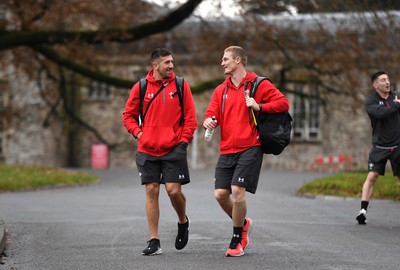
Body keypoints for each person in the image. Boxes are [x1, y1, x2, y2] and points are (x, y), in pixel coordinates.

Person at [203, 46, 289, 256]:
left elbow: (283, 103)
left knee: (237, 191)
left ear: (238, 60)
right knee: (220, 195)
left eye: (225, 59)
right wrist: (209, 122)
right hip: (227, 149)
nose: (222, 63)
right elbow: (211, 114)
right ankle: (243, 223)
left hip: (250, 146)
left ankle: (236, 241)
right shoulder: (220, 90)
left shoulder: (258, 84)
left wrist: (260, 106)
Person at [122, 48, 198, 255]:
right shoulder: (140, 87)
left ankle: (183, 221)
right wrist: (139, 134)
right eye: (167, 63)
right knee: (151, 190)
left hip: (174, 148)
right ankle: (154, 240)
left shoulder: (181, 85)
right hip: (147, 149)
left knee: (173, 190)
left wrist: (183, 142)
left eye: (172, 62)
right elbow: (128, 116)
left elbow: (191, 119)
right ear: (155, 65)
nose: (171, 66)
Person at [356, 71, 400, 225]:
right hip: (380, 146)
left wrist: (396, 104)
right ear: (375, 85)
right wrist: (396, 105)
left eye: (388, 79)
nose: (387, 82)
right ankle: (363, 211)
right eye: (383, 80)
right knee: (372, 176)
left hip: (398, 145)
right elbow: (381, 113)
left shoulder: (396, 95)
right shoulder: (370, 101)